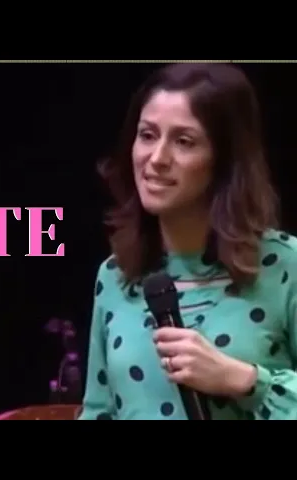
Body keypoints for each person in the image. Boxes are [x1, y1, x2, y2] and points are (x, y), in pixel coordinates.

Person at [78, 63, 296, 420]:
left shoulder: (285, 266)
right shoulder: (116, 275)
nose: (157, 159)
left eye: (184, 141)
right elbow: (98, 412)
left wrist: (244, 380)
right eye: (148, 135)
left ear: (225, 160)